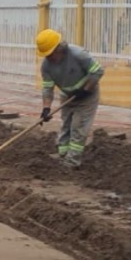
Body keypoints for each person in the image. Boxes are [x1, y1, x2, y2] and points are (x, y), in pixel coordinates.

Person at [36, 28, 104, 168]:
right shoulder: (46, 66)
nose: (47, 58)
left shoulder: (78, 54)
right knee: (65, 126)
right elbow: (47, 88)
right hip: (67, 96)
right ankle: (63, 154)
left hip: (87, 96)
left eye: (49, 54)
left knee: (78, 128)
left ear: (58, 49)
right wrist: (46, 109)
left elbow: (98, 71)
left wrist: (85, 90)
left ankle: (72, 162)